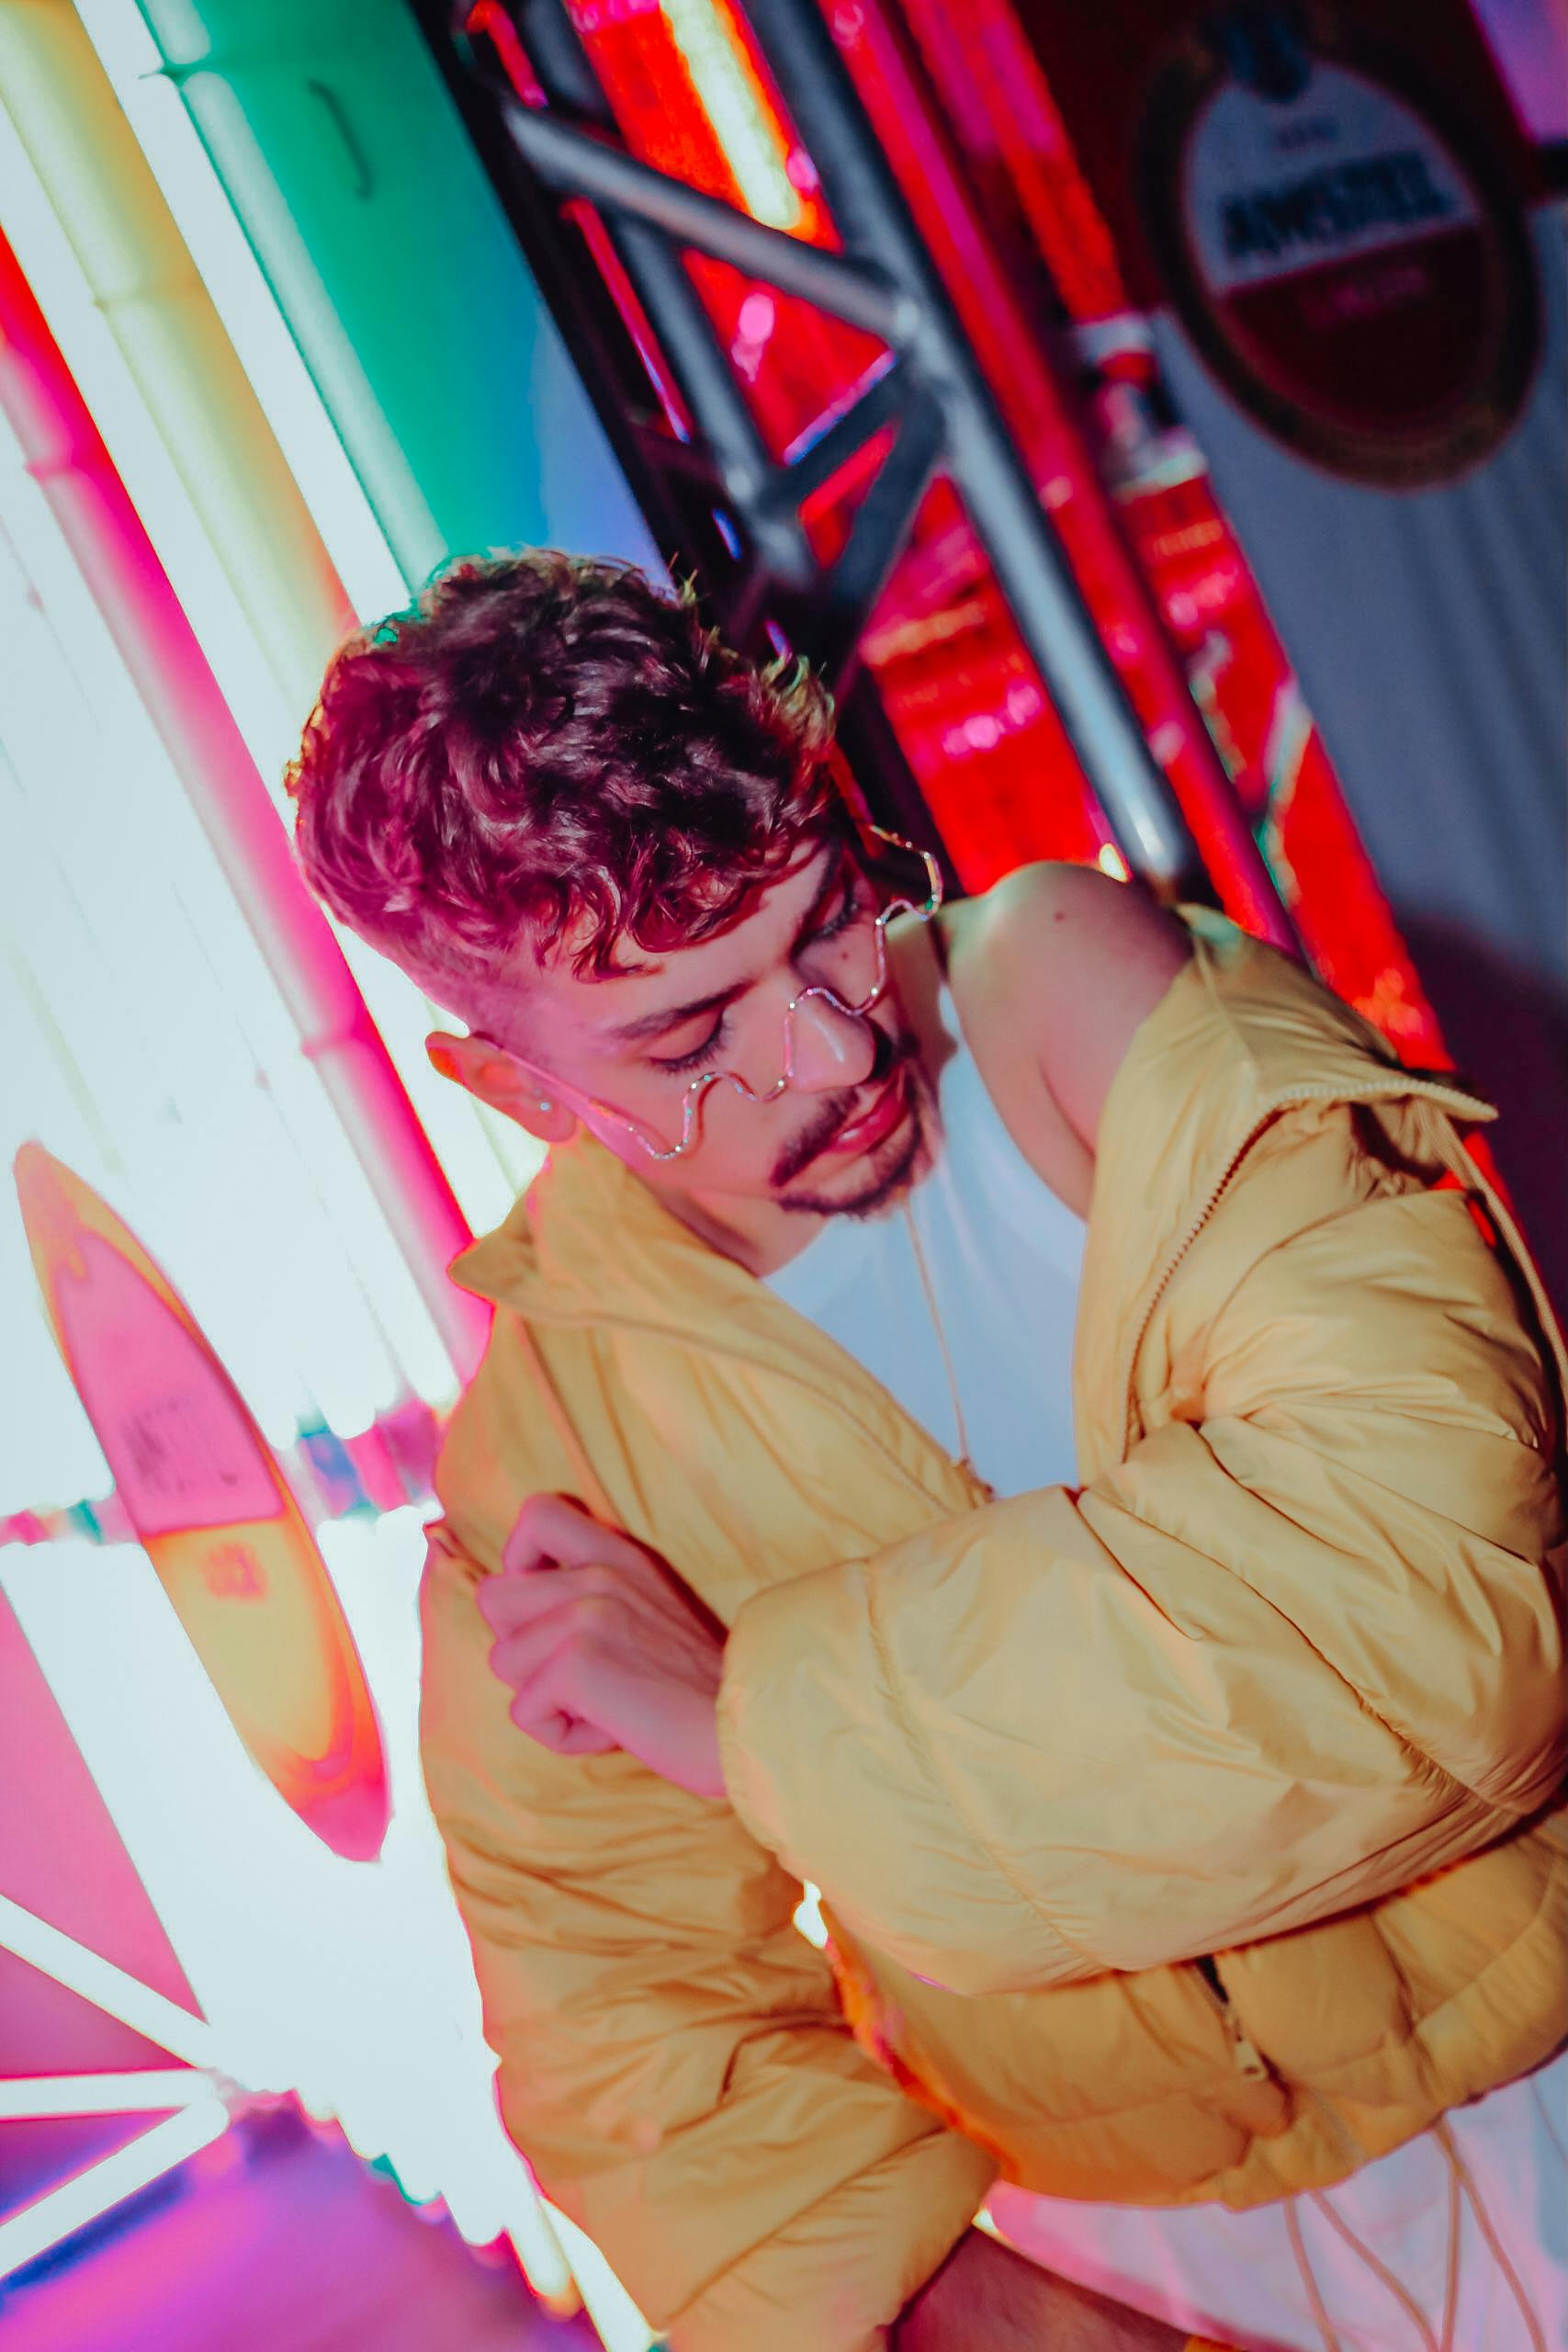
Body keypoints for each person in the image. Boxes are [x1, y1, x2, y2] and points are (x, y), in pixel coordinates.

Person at [287, 551, 1567, 2352]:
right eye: (689, 1032)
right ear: (508, 1086)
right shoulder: (557, 1442)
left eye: (822, 908)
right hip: (1129, 2260)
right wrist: (979, 2306)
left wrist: (742, 1717)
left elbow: (1428, 1630)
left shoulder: (1068, 984)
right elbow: (620, 2014)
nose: (830, 1043)